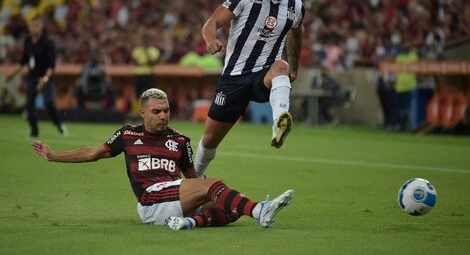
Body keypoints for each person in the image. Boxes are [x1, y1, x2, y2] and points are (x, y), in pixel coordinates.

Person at [31, 88, 294, 230]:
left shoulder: (180, 140)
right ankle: (260, 211)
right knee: (214, 185)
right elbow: (91, 153)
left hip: (173, 199)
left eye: (166, 110)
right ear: (142, 112)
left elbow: (192, 178)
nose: (163, 116)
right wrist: (53, 155)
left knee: (231, 207)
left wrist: (210, 196)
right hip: (150, 200)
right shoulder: (127, 134)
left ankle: (187, 223)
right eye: (156, 111)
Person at [195, 0, 305, 177]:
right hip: (234, 78)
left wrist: (293, 67)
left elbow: (296, 34)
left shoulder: (296, 6)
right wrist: (211, 40)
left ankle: (279, 122)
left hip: (263, 75)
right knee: (209, 140)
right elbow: (213, 21)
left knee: (281, 67)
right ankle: (195, 177)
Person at [6, 15, 66, 138]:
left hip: (46, 77)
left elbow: (51, 66)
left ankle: (59, 125)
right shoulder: (27, 42)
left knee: (49, 102)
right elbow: (24, 61)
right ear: (29, 27)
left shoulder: (48, 43)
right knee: (29, 103)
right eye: (32, 25)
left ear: (41, 27)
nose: (34, 28)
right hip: (32, 77)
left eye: (36, 25)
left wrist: (44, 80)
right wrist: (12, 74)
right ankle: (34, 130)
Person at [131, 33, 160, 98]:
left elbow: (152, 63)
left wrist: (146, 51)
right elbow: (135, 63)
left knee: (151, 95)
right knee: (137, 95)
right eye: (144, 40)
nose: (145, 42)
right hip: (138, 74)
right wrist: (145, 64)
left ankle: (151, 108)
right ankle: (135, 108)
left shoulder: (154, 50)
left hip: (149, 74)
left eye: (147, 40)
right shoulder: (136, 50)